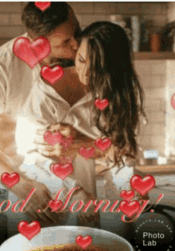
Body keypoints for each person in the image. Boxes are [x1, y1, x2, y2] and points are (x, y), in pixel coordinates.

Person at [18, 21, 148, 238]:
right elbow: (31, 157)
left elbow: (120, 156)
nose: (86, 72)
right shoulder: (46, 90)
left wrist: (130, 189)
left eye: (97, 67)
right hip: (46, 204)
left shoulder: (117, 96)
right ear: (75, 50)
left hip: (89, 209)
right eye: (81, 59)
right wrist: (73, 191)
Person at [0, 2, 83, 248]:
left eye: (75, 33)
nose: (75, 45)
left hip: (48, 185)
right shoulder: (0, 66)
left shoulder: (78, 63)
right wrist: (22, 187)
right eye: (65, 43)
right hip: (2, 183)